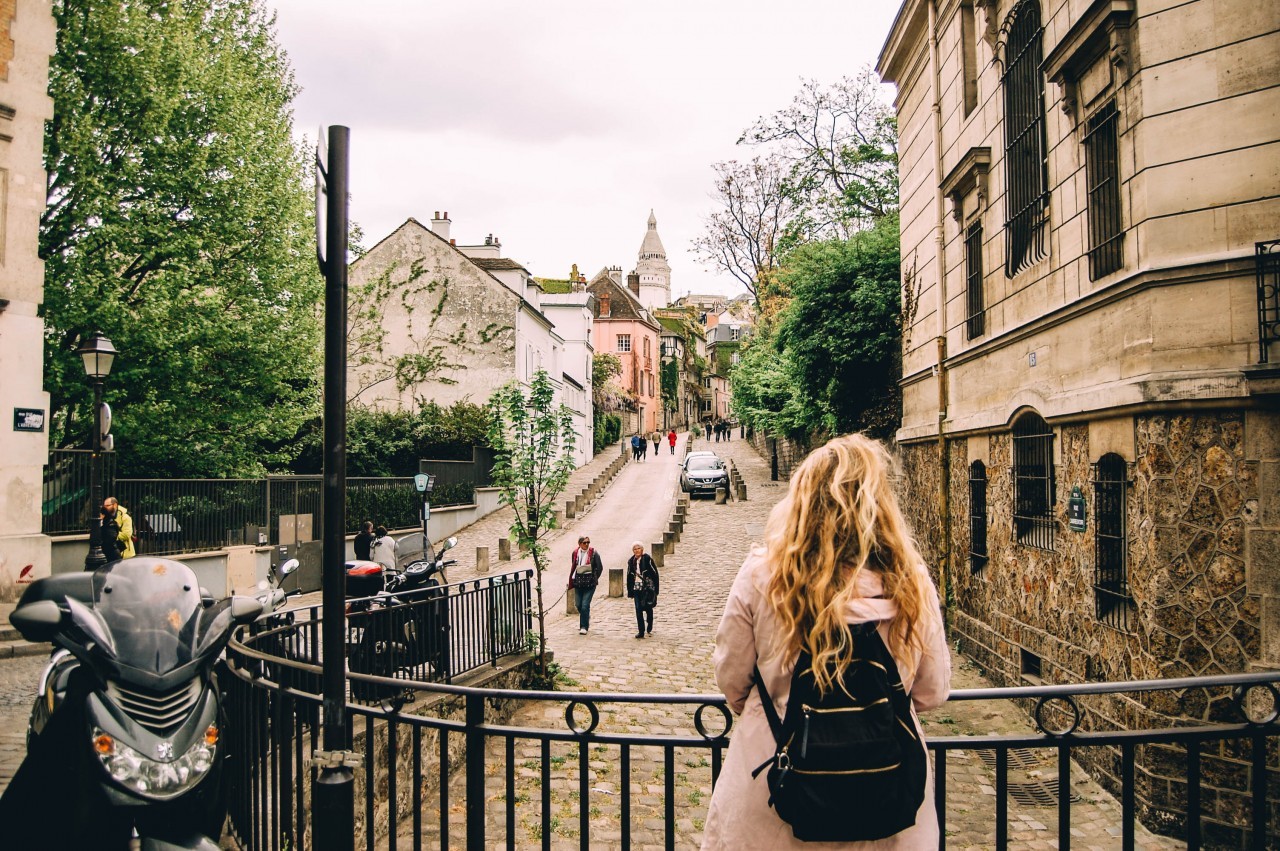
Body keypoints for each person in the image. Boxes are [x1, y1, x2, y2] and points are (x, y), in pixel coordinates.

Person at [701, 434, 951, 850]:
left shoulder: (764, 577)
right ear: (880, 507)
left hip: (774, 791)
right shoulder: (912, 583)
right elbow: (932, 691)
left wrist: (780, 711)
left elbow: (731, 678)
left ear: (802, 503)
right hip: (885, 795)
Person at [567, 536, 603, 634]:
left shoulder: (594, 553)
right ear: (579, 544)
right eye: (584, 542)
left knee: (584, 605)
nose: (586, 544)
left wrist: (594, 577)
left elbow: (599, 567)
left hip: (590, 584)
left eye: (588, 542)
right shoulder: (575, 553)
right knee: (578, 604)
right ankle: (586, 616)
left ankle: (584, 627)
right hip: (579, 582)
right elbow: (574, 565)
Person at [626, 542, 660, 638]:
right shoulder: (631, 561)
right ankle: (641, 631)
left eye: (638, 548)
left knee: (647, 607)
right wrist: (630, 591)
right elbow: (628, 576)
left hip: (646, 588)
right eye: (635, 549)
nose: (637, 550)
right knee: (638, 609)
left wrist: (656, 590)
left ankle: (650, 623)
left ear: (642, 549)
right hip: (636, 588)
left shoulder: (647, 559)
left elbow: (655, 574)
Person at [100, 497, 135, 561]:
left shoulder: (125, 517)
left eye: (107, 505)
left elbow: (127, 534)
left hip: (125, 554)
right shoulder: (105, 517)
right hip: (111, 552)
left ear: (115, 505)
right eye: (104, 506)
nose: (105, 507)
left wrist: (111, 535)